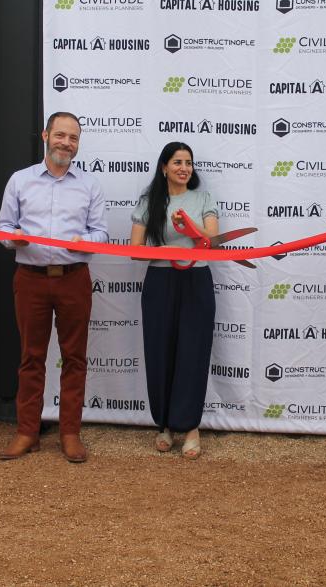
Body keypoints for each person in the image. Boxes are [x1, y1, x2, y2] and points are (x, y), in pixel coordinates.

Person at [0, 112, 108, 463]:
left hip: (74, 278)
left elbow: (101, 234)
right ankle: (27, 432)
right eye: (60, 135)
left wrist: (85, 242)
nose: (66, 143)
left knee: (75, 358)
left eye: (73, 138)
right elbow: (3, 228)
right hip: (30, 279)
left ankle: (70, 433)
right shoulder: (20, 181)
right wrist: (13, 240)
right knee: (32, 358)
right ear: (45, 135)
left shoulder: (89, 185)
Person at [130, 142, 218, 459]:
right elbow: (135, 250)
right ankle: (164, 425)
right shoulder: (148, 201)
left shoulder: (203, 198)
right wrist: (167, 249)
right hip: (160, 281)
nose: (184, 167)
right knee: (159, 351)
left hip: (197, 280)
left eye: (189, 162)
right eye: (178, 162)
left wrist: (190, 228)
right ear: (164, 167)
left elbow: (210, 242)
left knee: (193, 353)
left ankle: (191, 427)